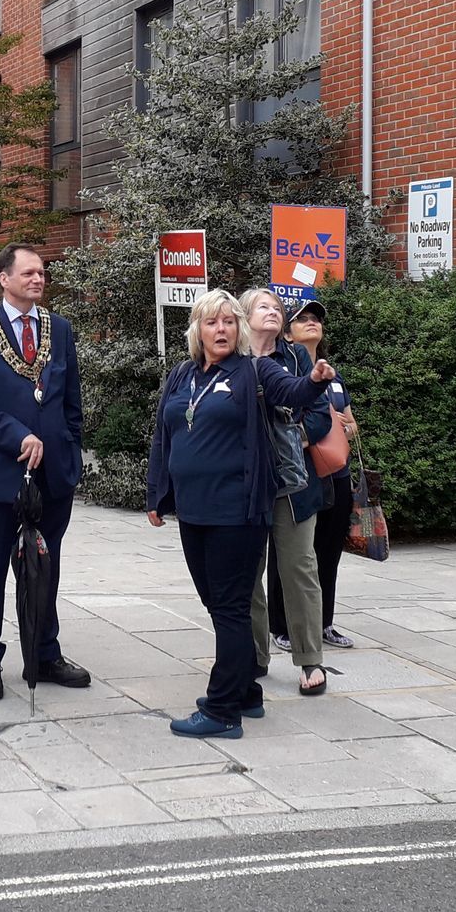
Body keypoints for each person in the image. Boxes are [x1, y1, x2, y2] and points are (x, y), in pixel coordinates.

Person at [145, 289, 334, 739]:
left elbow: (294, 391)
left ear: (241, 329)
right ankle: (247, 690)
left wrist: (316, 381)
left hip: (237, 511)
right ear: (197, 330)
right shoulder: (181, 375)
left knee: (229, 608)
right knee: (218, 603)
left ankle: (223, 709)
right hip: (194, 511)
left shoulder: (256, 371)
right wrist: (156, 495)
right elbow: (163, 437)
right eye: (212, 322)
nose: (222, 329)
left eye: (230, 322)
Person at [0, 244, 90, 701]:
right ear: (4, 279)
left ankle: (44, 653)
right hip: (1, 475)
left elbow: (71, 398)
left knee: (45, 569)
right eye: (28, 272)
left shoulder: (60, 329)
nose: (38, 279)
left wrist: (68, 443)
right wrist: (18, 437)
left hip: (53, 474)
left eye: (42, 273)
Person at [236, 288, 335, 697]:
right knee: (246, 573)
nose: (274, 312)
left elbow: (319, 415)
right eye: (265, 306)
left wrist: (289, 434)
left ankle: (311, 659)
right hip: (244, 484)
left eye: (279, 308)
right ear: (244, 316)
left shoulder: (297, 359)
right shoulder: (232, 359)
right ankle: (255, 655)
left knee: (299, 569)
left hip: (292, 483)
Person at [266, 298, 360, 656]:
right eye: (301, 318)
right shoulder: (281, 370)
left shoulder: (334, 378)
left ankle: (324, 621)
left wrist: (343, 427)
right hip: (297, 474)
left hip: (334, 471)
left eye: (316, 319)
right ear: (286, 332)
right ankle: (281, 625)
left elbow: (350, 422)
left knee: (328, 550)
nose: (311, 323)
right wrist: (302, 437)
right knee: (290, 551)